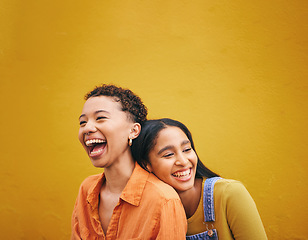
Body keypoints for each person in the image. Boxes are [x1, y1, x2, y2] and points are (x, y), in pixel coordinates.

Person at [71, 86, 187, 239]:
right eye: (82, 122)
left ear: (133, 131)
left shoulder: (163, 200)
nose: (87, 128)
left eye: (100, 118)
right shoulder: (86, 190)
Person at [131, 118, 268, 240]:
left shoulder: (229, 193)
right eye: (169, 154)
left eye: (187, 149)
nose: (183, 161)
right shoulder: (147, 208)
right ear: (146, 164)